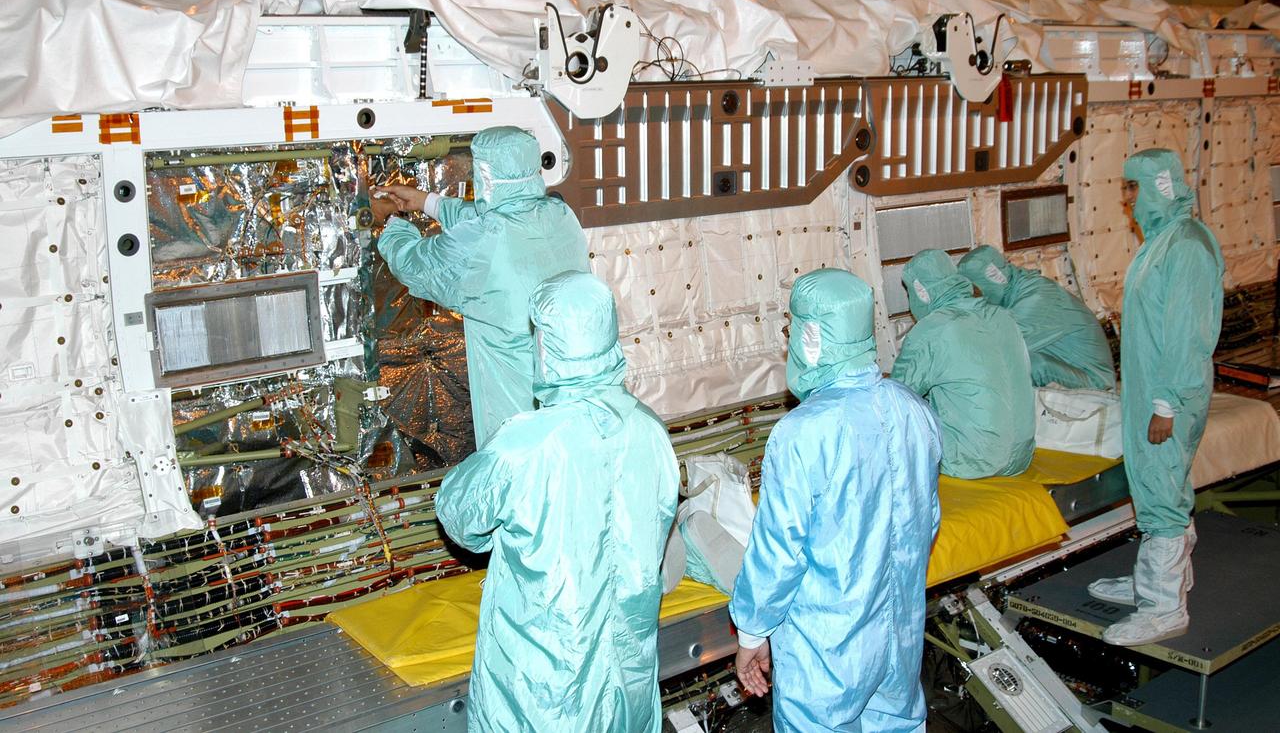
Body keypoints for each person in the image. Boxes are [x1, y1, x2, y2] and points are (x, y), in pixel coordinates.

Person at [434, 271, 679, 733]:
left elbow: (460, 516)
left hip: (542, 697)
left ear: (546, 346)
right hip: (627, 684)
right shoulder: (651, 432)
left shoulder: (525, 445)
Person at [731, 268, 942, 732]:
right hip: (898, 639)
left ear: (811, 338)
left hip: (828, 651)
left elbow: (778, 552)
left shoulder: (801, 432)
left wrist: (752, 631)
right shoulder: (914, 410)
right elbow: (925, 524)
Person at [373, 126, 589, 447]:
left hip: (518, 419)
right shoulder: (559, 216)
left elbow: (416, 265)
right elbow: (498, 217)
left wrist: (390, 222)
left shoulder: (482, 244)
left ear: (484, 175)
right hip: (573, 407)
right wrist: (426, 202)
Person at [1087, 149, 1223, 646]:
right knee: (1158, 485)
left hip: (1169, 395)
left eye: (1133, 188)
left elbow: (1187, 333)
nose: (1126, 198)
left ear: (1160, 186)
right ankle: (1158, 579)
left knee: (1162, 490)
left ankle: (1164, 608)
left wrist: (1166, 404)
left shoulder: (1184, 246)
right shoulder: (1163, 240)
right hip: (1152, 390)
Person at [890, 249, 1036, 479]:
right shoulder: (1002, 315)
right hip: (1022, 456)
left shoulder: (933, 329)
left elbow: (898, 395)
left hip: (971, 461)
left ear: (922, 292)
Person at [958, 245, 1116, 390]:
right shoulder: (1018, 291)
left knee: (1032, 365)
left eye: (977, 290)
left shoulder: (1039, 296)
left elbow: (1005, 343)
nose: (977, 297)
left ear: (992, 278)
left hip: (1098, 384)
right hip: (1073, 371)